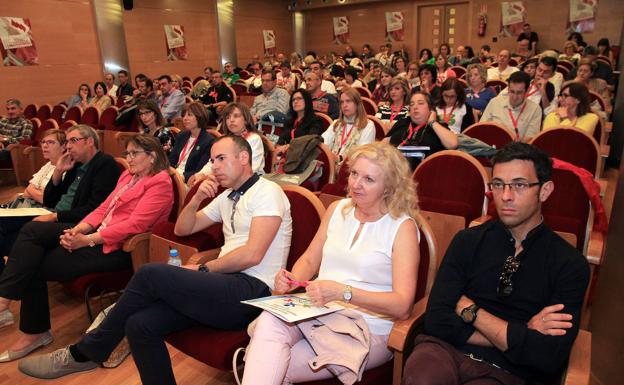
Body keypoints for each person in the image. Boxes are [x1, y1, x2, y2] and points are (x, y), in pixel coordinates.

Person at [19, 134, 292, 383]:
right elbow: (183, 228)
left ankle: (86, 352)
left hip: (255, 292)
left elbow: (252, 254)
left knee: (150, 273)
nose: (215, 166)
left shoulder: (267, 192)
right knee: (140, 325)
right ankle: (91, 351)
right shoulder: (229, 197)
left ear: (244, 158)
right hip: (224, 286)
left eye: (221, 158)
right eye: (211, 160)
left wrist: (203, 269)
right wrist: (196, 200)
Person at [402, 142, 589, 385]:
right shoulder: (468, 240)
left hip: (509, 372)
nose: (506, 196)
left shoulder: (569, 264)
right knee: (423, 377)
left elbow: (547, 356)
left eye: (519, 185)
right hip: (445, 350)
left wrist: (471, 311)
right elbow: (437, 320)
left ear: (544, 191)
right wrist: (521, 333)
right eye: (498, 185)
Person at [241, 141, 419, 384]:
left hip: (367, 327)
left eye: (368, 179)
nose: (356, 184)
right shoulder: (338, 209)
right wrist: (292, 279)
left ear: (389, 187)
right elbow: (311, 258)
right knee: (270, 325)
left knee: (266, 362)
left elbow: (402, 306)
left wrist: (342, 292)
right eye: (354, 173)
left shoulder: (402, 227)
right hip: (319, 307)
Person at [0, 129, 146, 362]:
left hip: (91, 231)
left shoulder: (106, 166)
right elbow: (52, 199)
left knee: (30, 233)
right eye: (66, 141)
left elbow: (97, 210)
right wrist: (58, 171)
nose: (67, 146)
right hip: (79, 225)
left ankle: (10, 306)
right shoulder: (77, 165)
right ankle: (28, 325)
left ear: (89, 142)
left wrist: (73, 228)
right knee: (25, 245)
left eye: (72, 141)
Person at [0, 129, 66, 270]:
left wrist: (33, 192)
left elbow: (51, 200)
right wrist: (34, 192)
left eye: (50, 142)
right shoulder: (48, 165)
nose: (44, 146)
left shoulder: (66, 168)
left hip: (42, 211)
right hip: (27, 205)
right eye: (43, 142)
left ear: (63, 146)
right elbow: (28, 189)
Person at [190, 103, 266, 187]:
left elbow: (251, 169)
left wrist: (217, 177)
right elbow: (212, 162)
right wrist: (201, 174)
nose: (231, 120)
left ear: (246, 119)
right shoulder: (224, 140)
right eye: (228, 117)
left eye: (236, 116)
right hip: (225, 180)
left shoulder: (254, 138)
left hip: (251, 184)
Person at [385, 91, 458, 170]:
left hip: (426, 174)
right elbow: (382, 145)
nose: (415, 107)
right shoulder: (402, 123)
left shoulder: (438, 127)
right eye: (412, 104)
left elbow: (453, 144)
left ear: (430, 109)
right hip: (396, 172)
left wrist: (432, 122)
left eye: (420, 103)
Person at [481, 71, 542, 142]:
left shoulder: (535, 110)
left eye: (519, 93)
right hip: (491, 146)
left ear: (527, 91)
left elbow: (529, 139)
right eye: (512, 91)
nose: (514, 97)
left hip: (517, 150)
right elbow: (482, 128)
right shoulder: (494, 102)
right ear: (508, 89)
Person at [322, 88, 375, 167]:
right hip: (331, 166)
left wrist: (339, 158)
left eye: (348, 101)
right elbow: (323, 142)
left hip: (351, 169)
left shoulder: (368, 125)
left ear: (357, 104)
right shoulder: (336, 123)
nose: (344, 105)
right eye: (342, 102)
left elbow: (362, 154)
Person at [169, 102, 214, 182]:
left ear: (200, 116)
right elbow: (172, 161)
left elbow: (199, 171)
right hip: (173, 176)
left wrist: (180, 177)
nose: (185, 118)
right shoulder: (182, 136)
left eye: (189, 115)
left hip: (187, 181)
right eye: (183, 115)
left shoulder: (208, 141)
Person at [275, 89, 324, 155]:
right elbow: (281, 141)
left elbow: (311, 141)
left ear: (307, 101)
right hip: (286, 156)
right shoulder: (289, 121)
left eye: (299, 98)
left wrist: (288, 147)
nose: (295, 101)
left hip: (304, 157)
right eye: (293, 100)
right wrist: (279, 147)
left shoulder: (315, 120)